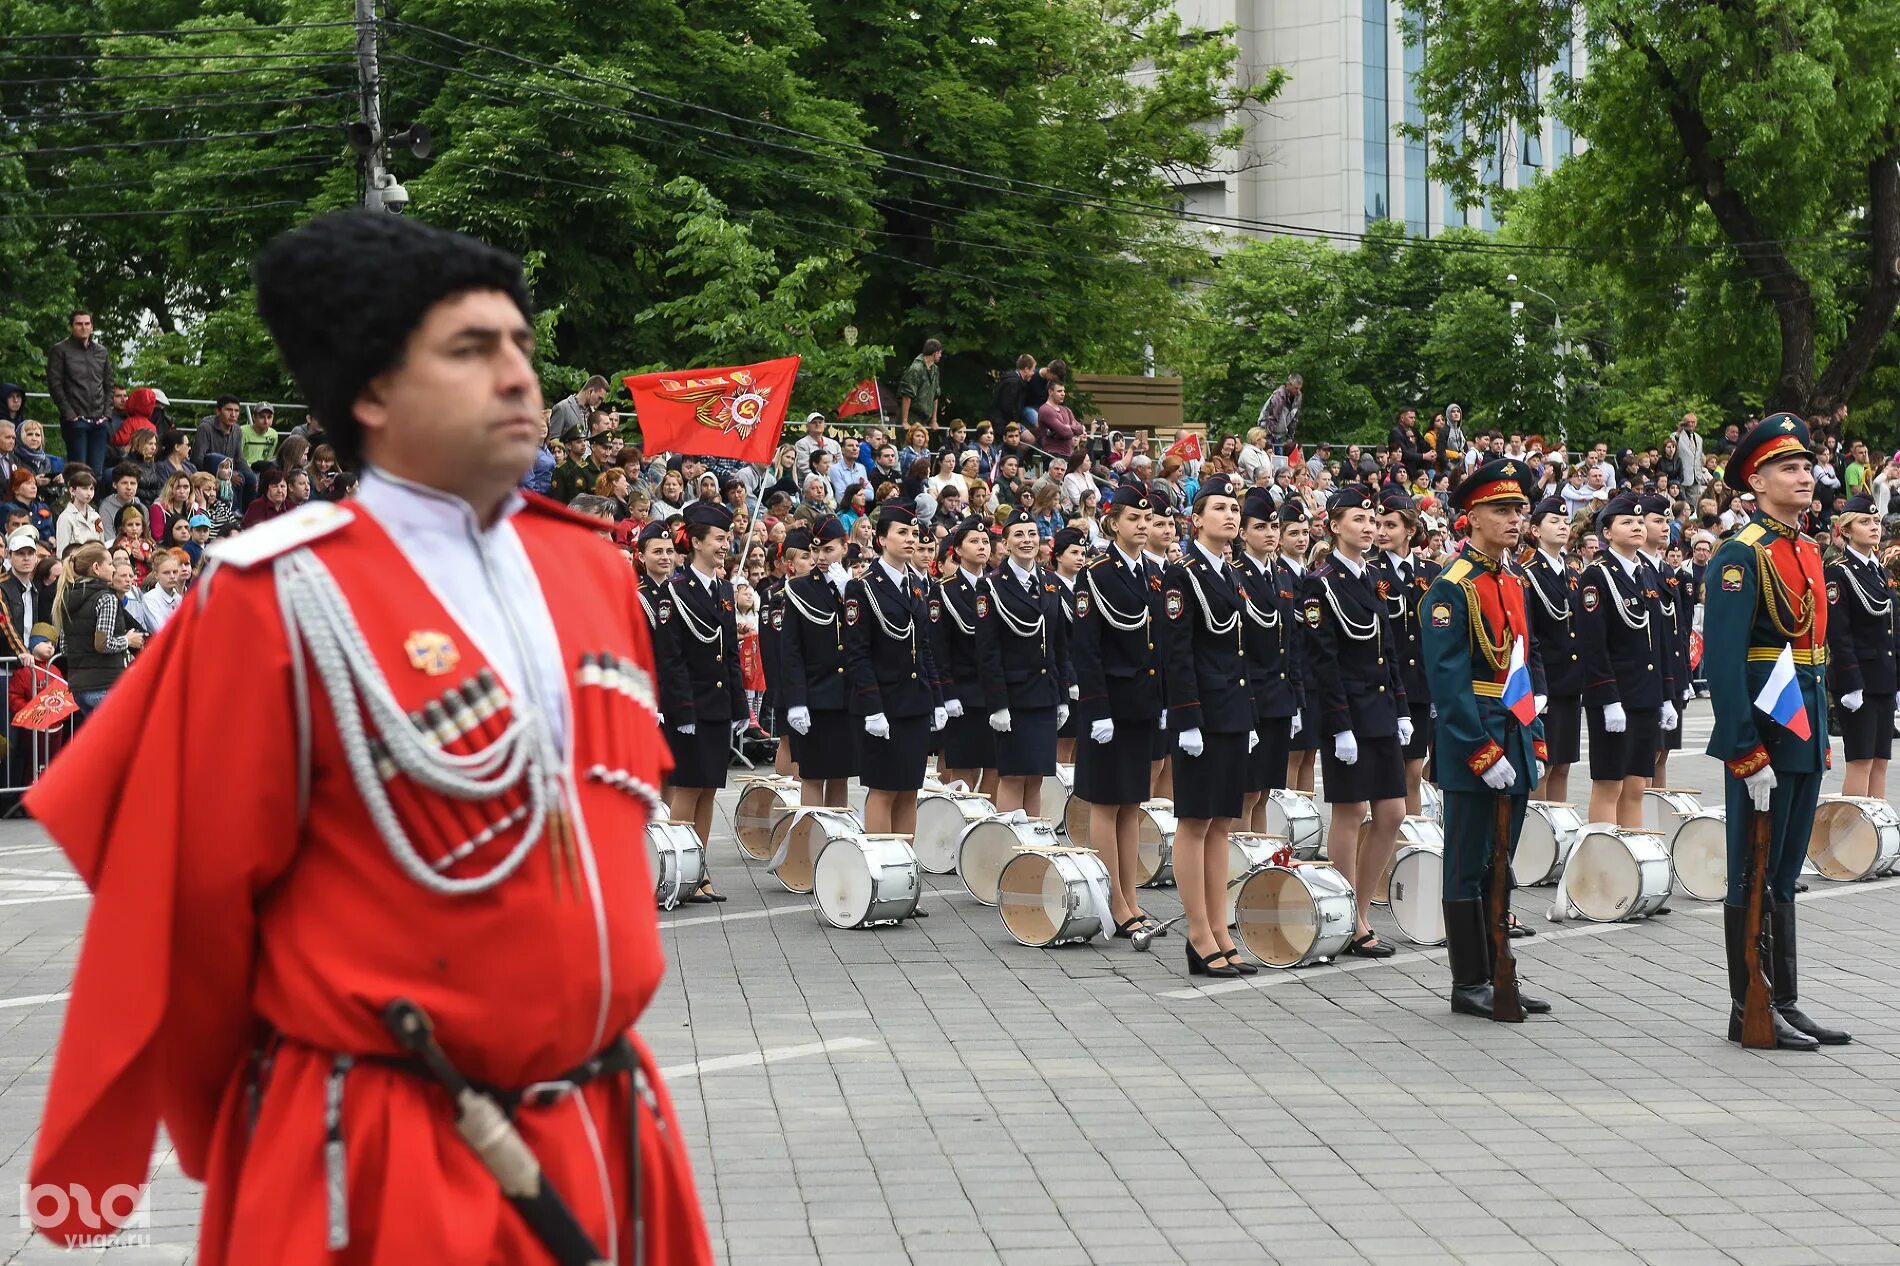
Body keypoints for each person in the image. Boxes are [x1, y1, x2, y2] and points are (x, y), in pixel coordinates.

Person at [21, 212, 716, 1262]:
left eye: (521, 346)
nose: (520, 377)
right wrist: (260, 1129)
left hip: (604, 1121)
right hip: (385, 1143)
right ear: (374, 394)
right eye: (472, 351)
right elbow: (187, 908)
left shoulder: (592, 568)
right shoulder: (278, 598)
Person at [1703, 414, 1850, 1051]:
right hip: (1765, 731)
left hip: (1803, 725)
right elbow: (1725, 659)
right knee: (1751, 871)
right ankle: (1748, 1005)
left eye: (1805, 467)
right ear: (1756, 482)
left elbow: (1812, 652)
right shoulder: (1742, 553)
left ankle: (1782, 998)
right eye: (1788, 468)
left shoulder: (1805, 549)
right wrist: (1743, 748)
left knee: (1785, 870)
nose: (1804, 477)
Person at [1419, 457, 1552, 1018]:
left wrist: (1535, 740)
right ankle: (1469, 980)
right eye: (1502, 509)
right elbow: (1448, 684)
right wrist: (1481, 750)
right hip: (1475, 741)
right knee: (1467, 861)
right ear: (1471, 517)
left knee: (1502, 860)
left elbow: (1521, 666)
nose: (1515, 519)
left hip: (1513, 735)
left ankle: (1501, 972)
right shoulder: (1452, 589)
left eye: (1520, 509)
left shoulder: (1512, 582)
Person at [1304, 484, 1409, 958]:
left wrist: (1403, 708)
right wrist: (1339, 723)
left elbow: (1389, 651)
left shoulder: (1373, 576)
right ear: (1334, 526)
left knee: (1393, 813)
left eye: (1375, 522)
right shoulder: (1320, 581)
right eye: (1359, 521)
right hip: (1347, 712)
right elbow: (1322, 659)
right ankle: (1348, 918)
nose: (1369, 529)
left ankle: (1360, 908)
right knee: (1352, 812)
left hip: (1381, 709)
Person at [1160, 474, 1255, 978]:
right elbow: (1176, 652)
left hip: (1231, 710)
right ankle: (1198, 934)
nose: (1230, 516)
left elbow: (1237, 650)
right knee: (1195, 822)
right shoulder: (1184, 574)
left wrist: (1249, 714)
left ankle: (1220, 929)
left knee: (1222, 822)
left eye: (1234, 508)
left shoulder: (1229, 574)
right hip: (1202, 714)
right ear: (1196, 519)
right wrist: (1188, 719)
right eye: (1219, 507)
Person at [1074, 483, 1167, 936]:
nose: (1142, 526)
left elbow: (1160, 643)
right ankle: (1113, 900)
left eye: (1147, 520)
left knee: (1132, 803)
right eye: (1134, 519)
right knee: (1108, 803)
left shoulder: (1152, 572)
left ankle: (1130, 897)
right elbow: (1087, 649)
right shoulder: (1094, 574)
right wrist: (1097, 710)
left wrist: (1164, 700)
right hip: (1110, 705)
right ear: (1113, 522)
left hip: (1142, 703)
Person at [843, 502, 946, 835]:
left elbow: (924, 647)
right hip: (883, 703)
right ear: (881, 539)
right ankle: (881, 867)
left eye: (914, 533)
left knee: (909, 789)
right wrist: (872, 708)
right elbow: (857, 654)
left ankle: (903, 869)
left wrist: (937, 697)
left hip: (914, 702)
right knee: (884, 789)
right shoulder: (863, 587)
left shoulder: (916, 586)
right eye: (902, 533)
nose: (910, 540)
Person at [1575, 494, 1676, 827]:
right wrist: (1607, 699)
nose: (1636, 527)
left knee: (1635, 786)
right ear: (1607, 533)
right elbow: (1593, 643)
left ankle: (1630, 860)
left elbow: (1658, 642)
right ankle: (1603, 863)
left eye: (1637, 522)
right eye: (1626, 522)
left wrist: (1666, 695)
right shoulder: (1597, 576)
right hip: (1615, 695)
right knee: (1609, 785)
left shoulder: (1646, 574)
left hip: (1645, 694)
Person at [664, 501, 745, 900]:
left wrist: (739, 708)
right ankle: (676, 869)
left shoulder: (724, 589)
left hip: (716, 705)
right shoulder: (677, 590)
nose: (725, 545)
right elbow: (673, 657)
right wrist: (682, 709)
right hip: (690, 707)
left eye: (728, 538)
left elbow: (728, 652)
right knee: (688, 789)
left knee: (709, 789)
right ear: (696, 542)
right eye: (718, 538)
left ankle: (698, 869)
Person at [987, 508, 1073, 814]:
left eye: (1032, 534)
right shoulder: (993, 586)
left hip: (1044, 694)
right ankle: (1008, 846)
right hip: (1013, 695)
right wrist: (998, 703)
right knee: (1012, 776)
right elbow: (988, 650)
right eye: (1019, 535)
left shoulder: (1050, 582)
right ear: (1006, 542)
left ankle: (1031, 850)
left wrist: (1062, 696)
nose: (1027, 540)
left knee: (1036, 777)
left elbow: (1059, 645)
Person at [779, 516, 859, 807]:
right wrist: (796, 700)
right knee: (812, 776)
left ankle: (834, 846)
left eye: (829, 550)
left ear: (844, 548)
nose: (822, 558)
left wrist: (849, 592)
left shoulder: (855, 588)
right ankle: (808, 847)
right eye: (817, 551)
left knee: (840, 776)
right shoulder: (800, 589)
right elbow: (791, 650)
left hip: (847, 697)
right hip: (815, 695)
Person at [1234, 488, 1301, 832]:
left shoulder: (1283, 575)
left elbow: (1291, 641)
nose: (1270, 534)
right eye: (1260, 527)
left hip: (1278, 697)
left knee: (1265, 793)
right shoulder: (1234, 574)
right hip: (1251, 697)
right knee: (1245, 792)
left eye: (1274, 527)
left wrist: (1297, 700)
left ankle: (1258, 862)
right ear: (1242, 533)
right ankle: (1239, 868)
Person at [1371, 488, 1438, 813]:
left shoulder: (1430, 572)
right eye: (1378, 524)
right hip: (1387, 684)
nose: (1381, 532)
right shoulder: (1371, 571)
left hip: (1421, 684)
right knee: (1387, 773)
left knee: (1413, 772)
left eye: (1390, 525)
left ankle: (1409, 849)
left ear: (1410, 530)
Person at [1826, 494, 1894, 800]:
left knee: (1881, 762)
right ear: (1846, 530)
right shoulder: (1839, 571)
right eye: (1864, 522)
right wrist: (1851, 682)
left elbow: (1892, 631)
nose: (1874, 527)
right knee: (1861, 761)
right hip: (1859, 681)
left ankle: (1876, 834)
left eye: (1876, 521)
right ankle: (1853, 839)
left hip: (1882, 677)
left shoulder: (1878, 571)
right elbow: (1839, 634)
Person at [930, 516, 1004, 793]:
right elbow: (938, 648)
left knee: (997, 767)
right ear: (958, 550)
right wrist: (947, 693)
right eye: (974, 541)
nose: (982, 546)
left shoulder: (998, 586)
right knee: (962, 769)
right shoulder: (945, 590)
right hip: (962, 691)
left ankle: (987, 828)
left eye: (985, 541)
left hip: (994, 691)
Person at [1523, 496, 1585, 803]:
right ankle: (1538, 838)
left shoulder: (1572, 574)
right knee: (1542, 766)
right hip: (1544, 682)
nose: (1562, 526)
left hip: (1570, 682)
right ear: (1535, 530)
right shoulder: (1528, 574)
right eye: (1554, 521)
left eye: (1566, 522)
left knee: (1563, 765)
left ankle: (1558, 833)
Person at [1639, 492, 1695, 787]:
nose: (1665, 527)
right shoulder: (1638, 570)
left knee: (1663, 753)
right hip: (1653, 678)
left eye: (1667, 521)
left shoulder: (1665, 570)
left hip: (1672, 674)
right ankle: (1642, 819)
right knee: (1647, 756)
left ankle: (1657, 814)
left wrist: (1683, 676)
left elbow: (1678, 631)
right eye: (1657, 520)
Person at [1276, 501, 1318, 793]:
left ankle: (1307, 828)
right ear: (1279, 538)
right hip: (1292, 675)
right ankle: (1288, 824)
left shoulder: (1310, 576)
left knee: (1310, 754)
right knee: (1291, 755)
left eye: (1304, 532)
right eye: (1293, 533)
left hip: (1314, 677)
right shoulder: (1279, 575)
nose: (1301, 538)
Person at [46, 309, 114, 476]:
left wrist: (107, 414)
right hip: (76, 420)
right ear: (71, 327)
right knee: (77, 473)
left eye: (87, 324)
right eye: (79, 324)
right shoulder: (60, 350)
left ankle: (94, 503)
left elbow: (109, 384)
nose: (83, 328)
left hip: (99, 420)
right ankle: (74, 503)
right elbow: (55, 385)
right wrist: (69, 414)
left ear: (92, 327)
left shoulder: (101, 351)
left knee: (96, 472)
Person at [1050, 526, 1089, 763]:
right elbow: (1059, 640)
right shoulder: (1052, 588)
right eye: (1074, 552)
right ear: (1058, 556)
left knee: (1079, 748)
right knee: (1062, 751)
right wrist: (1071, 678)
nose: (1080, 558)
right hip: (1064, 676)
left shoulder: (1083, 588)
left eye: (1082, 553)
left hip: (1085, 674)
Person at [897, 338, 944, 438]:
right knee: (908, 447)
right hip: (912, 415)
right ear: (935, 353)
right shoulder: (916, 369)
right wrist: (905, 421)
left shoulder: (935, 370)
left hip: (924, 418)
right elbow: (907, 395)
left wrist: (934, 420)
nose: (940, 356)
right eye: (940, 353)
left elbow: (936, 395)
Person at [1256, 373, 1302, 461]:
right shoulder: (1278, 396)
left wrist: (1290, 437)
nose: (1297, 391)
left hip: (1280, 434)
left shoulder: (1298, 397)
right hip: (1266, 431)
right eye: (1296, 388)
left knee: (1279, 460)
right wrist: (1269, 441)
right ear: (1288, 385)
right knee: (1269, 459)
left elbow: (1294, 419)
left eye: (1299, 388)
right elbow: (1272, 418)